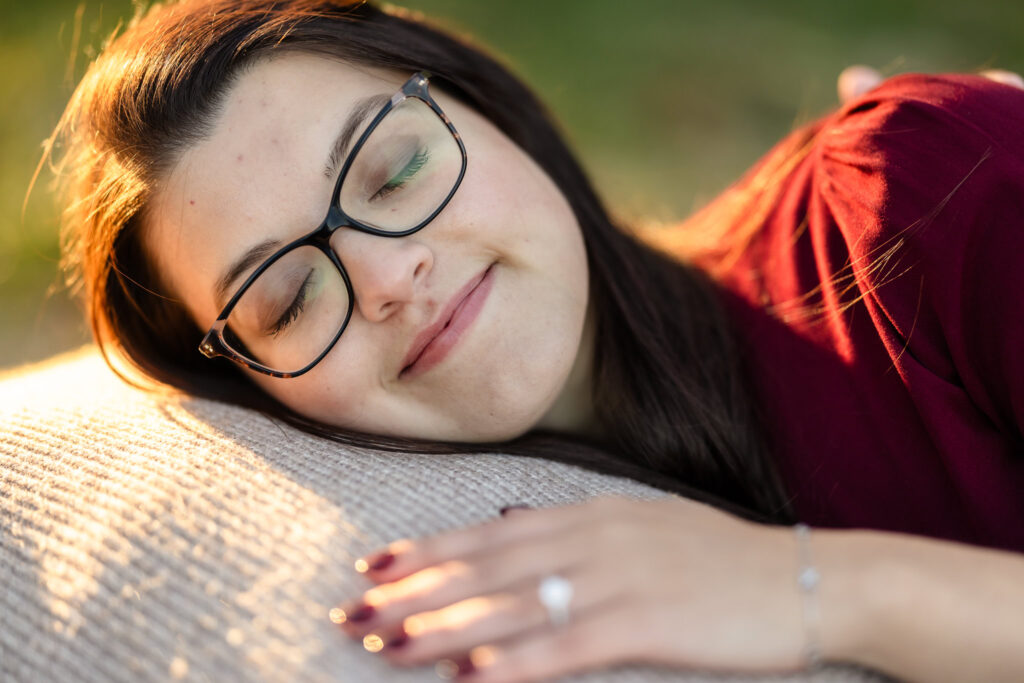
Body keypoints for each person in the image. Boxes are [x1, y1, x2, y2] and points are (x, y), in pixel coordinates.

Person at [48, 0, 1024, 681]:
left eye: (394, 171)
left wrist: (823, 589)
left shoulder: (916, 195)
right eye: (291, 295)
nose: (389, 279)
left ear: (492, 111)